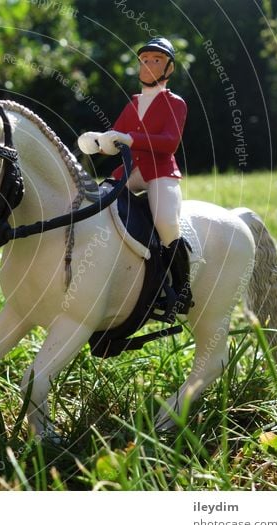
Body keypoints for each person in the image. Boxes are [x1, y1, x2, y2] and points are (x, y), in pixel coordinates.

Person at [78, 37, 192, 316]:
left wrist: (128, 138)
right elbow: (116, 137)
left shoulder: (175, 103)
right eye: (145, 60)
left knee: (166, 222)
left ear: (169, 69)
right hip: (131, 171)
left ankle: (181, 289)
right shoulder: (133, 104)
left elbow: (169, 143)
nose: (149, 65)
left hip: (159, 172)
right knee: (98, 205)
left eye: (157, 61)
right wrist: (98, 142)